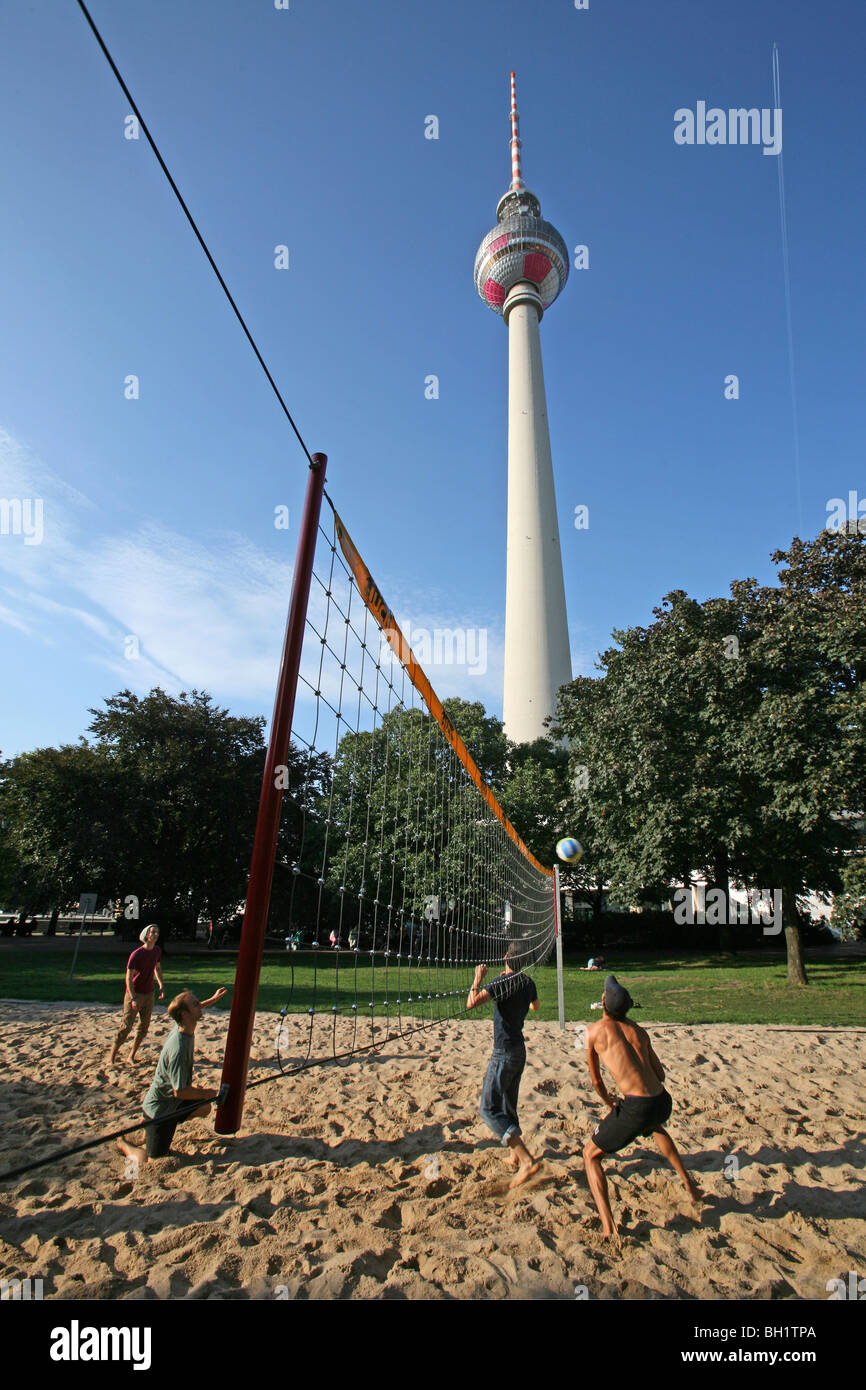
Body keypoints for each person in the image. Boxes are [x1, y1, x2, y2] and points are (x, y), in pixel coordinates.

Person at [582, 974, 700, 1238]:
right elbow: (660, 1075)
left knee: (590, 1155)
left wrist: (610, 1103)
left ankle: (609, 1228)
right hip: (661, 1101)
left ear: (602, 1002)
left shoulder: (594, 1032)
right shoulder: (639, 1031)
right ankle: (689, 1183)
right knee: (654, 1126)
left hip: (637, 1106)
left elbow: (597, 1082)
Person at [116, 987, 227, 1166]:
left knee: (204, 1108)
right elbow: (180, 1092)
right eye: (196, 1004)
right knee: (150, 1161)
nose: (200, 1006)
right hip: (159, 1110)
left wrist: (213, 998)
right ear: (184, 1014)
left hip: (172, 1104)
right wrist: (207, 1092)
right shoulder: (179, 1048)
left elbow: (194, 1009)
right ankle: (123, 1144)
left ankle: (156, 1129)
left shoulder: (183, 1025)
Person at [467, 946, 541, 1189]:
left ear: (506, 958)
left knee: (489, 1109)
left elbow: (471, 1003)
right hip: (520, 1050)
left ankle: (527, 1161)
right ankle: (514, 1155)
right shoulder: (526, 982)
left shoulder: (501, 984)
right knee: (509, 1104)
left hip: (504, 1052)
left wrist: (478, 979)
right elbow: (535, 1007)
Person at [109, 924, 165, 1066]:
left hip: (149, 993)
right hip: (134, 994)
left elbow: (157, 968)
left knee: (143, 1027)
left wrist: (161, 984)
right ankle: (112, 1057)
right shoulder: (136, 954)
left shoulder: (157, 951)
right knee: (126, 1026)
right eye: (153, 932)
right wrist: (133, 998)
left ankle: (131, 1056)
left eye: (157, 932)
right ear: (147, 935)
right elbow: (128, 978)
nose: (156, 934)